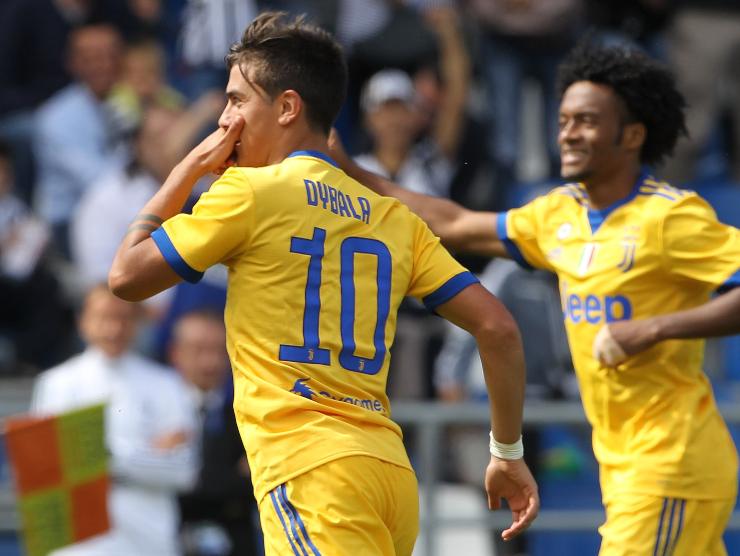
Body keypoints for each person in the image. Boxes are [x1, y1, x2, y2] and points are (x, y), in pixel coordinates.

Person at [108, 11, 539, 555]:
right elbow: (498, 327)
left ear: (287, 107)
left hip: (313, 474)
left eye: (237, 100)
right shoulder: (393, 218)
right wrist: (507, 449)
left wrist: (188, 167)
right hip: (388, 476)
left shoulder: (251, 192)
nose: (224, 119)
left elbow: (125, 275)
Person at [332, 41, 740, 555]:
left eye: (587, 120)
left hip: (671, 461)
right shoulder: (558, 214)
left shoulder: (670, 218)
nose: (568, 133)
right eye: (565, 119)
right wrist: (350, 170)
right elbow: (454, 222)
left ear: (632, 134)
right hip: (625, 464)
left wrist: (652, 328)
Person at [31, 284, 198, 555]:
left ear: (138, 323)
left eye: (123, 317)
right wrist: (147, 454)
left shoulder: (166, 383)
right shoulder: (56, 383)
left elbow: (185, 469)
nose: (113, 328)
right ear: (83, 321)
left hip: (150, 541)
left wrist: (101, 456)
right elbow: (50, 465)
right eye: (103, 317)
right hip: (78, 544)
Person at [170, 309, 259, 556]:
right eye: (198, 350)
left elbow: (255, 484)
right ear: (175, 353)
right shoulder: (159, 412)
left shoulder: (252, 415)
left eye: (219, 351)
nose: (211, 362)